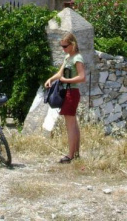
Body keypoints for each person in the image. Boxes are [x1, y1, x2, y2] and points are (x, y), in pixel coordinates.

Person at [44, 32, 86, 163]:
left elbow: (82, 77)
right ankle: (76, 153)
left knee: (70, 126)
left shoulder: (77, 58)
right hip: (68, 92)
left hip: (71, 93)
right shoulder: (68, 57)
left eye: (65, 46)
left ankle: (70, 155)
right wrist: (51, 79)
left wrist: (65, 81)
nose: (63, 49)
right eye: (61, 46)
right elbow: (60, 73)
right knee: (73, 125)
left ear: (72, 44)